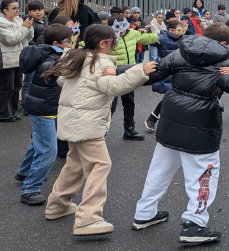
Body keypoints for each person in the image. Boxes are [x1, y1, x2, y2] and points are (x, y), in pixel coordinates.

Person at [132, 23, 229, 244]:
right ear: (225, 43)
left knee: (159, 169)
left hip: (171, 117)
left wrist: (121, 70)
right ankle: (194, 224)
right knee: (203, 175)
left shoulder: (181, 52)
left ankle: (144, 213)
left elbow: (152, 73)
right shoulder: (222, 62)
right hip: (201, 123)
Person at [43, 24, 156, 236]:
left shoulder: (77, 58)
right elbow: (114, 87)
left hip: (73, 120)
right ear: (104, 43)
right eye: (114, 41)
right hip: (87, 123)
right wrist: (141, 71)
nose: (115, 44)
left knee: (75, 164)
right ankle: (88, 218)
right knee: (100, 164)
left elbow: (63, 80)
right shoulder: (101, 62)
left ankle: (57, 205)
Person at [15, 24, 72, 206]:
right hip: (43, 109)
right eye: (68, 41)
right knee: (48, 149)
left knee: (38, 142)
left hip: (48, 107)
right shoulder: (50, 57)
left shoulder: (54, 53)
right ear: (56, 43)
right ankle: (30, 189)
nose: (71, 44)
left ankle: (24, 172)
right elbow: (48, 68)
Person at [108, 14, 160, 140]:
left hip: (129, 74)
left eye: (124, 26)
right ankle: (99, 134)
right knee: (110, 107)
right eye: (118, 27)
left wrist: (160, 36)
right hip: (113, 76)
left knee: (129, 104)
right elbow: (91, 42)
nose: (122, 30)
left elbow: (149, 38)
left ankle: (129, 130)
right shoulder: (108, 37)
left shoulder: (132, 33)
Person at [0, 0, 35, 123]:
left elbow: (28, 38)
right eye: (14, 8)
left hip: (19, 58)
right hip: (8, 59)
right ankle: (2, 113)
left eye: (18, 8)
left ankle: (13, 111)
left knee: (17, 86)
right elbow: (11, 39)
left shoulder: (18, 21)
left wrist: (29, 27)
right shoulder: (0, 24)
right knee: (7, 87)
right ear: (5, 10)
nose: (17, 10)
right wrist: (24, 28)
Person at [144, 19, 187, 132]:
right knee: (171, 96)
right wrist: (150, 36)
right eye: (178, 30)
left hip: (181, 72)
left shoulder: (183, 39)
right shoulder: (163, 38)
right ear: (170, 30)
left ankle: (155, 118)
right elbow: (149, 41)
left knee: (175, 97)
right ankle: (154, 118)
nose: (180, 33)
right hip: (167, 71)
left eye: (182, 30)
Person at [21, 1, 47, 111]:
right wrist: (38, 47)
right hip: (32, 54)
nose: (38, 12)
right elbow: (28, 39)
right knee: (29, 81)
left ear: (43, 11)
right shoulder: (29, 23)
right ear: (29, 12)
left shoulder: (45, 22)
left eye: (40, 10)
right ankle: (25, 105)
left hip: (43, 54)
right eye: (34, 10)